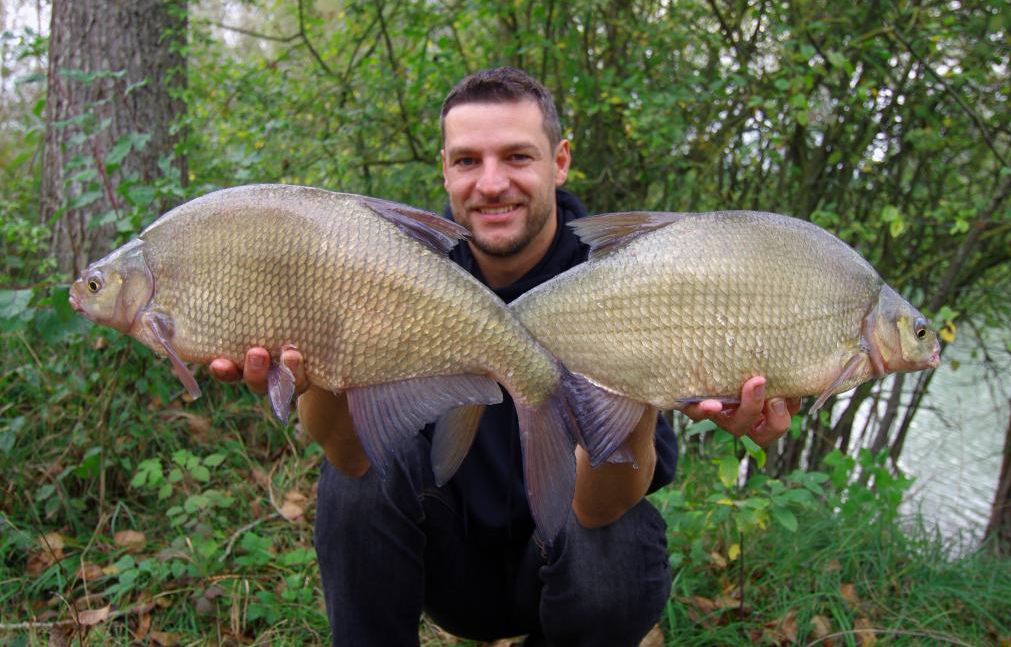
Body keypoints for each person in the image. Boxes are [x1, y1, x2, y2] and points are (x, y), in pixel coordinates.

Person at [210, 67, 797, 646]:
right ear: (444, 169)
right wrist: (312, 368)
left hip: (563, 561)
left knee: (619, 537)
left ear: (559, 160)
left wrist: (641, 386)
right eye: (467, 161)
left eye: (517, 157)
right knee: (351, 486)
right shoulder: (386, 267)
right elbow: (351, 455)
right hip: (445, 558)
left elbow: (602, 508)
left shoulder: (627, 272)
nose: (491, 184)